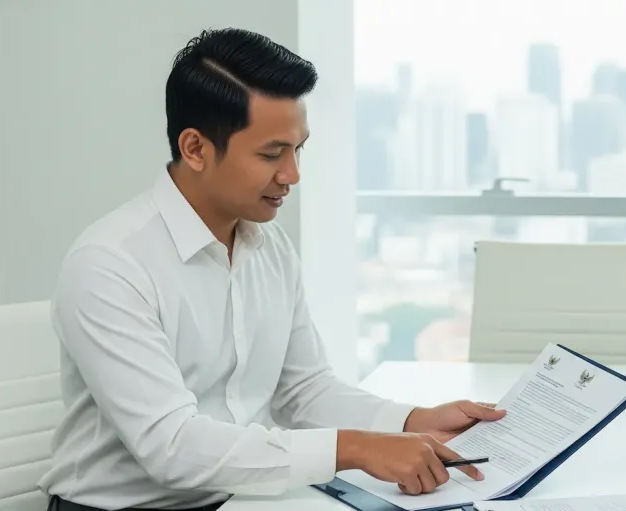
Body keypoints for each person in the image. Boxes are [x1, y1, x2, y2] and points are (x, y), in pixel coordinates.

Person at [37, 28, 505, 511]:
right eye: (270, 154)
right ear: (196, 148)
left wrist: (413, 421)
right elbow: (171, 446)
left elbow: (303, 389)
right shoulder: (109, 264)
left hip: (244, 500)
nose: (292, 175)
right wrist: (357, 448)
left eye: (298, 149)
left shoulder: (269, 245)